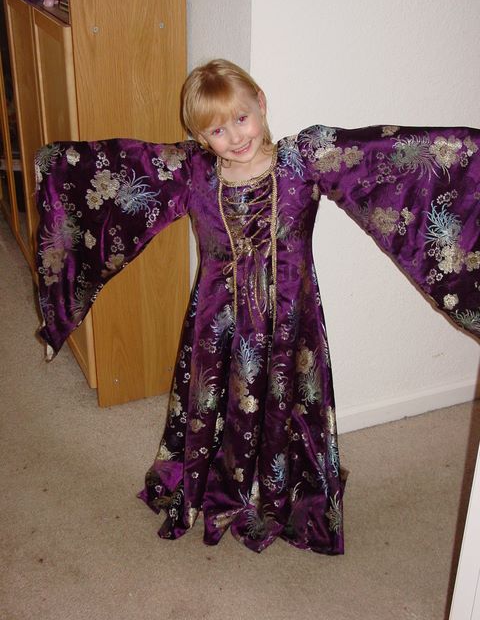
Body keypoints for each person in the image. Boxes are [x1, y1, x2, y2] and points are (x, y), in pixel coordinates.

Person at [35, 59, 480, 554]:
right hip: (218, 322)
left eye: (241, 118)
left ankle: (280, 491)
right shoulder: (193, 172)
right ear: (201, 137)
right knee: (219, 397)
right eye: (217, 130)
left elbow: (392, 158)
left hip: (290, 315)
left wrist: (468, 154)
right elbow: (118, 170)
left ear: (261, 105)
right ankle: (220, 484)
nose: (235, 137)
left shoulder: (304, 160)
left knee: (288, 400)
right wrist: (54, 166)